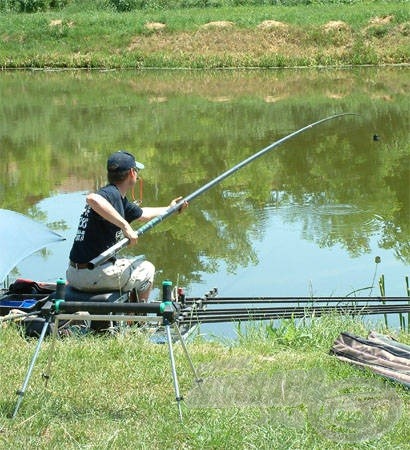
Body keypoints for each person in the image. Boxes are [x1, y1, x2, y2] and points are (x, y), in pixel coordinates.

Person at [66, 150, 187, 302]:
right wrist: (126, 226)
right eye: (137, 171)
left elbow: (143, 214)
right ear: (132, 172)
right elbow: (92, 199)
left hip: (74, 274)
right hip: (92, 273)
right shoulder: (110, 194)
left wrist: (170, 209)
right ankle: (138, 321)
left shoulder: (118, 200)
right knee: (147, 269)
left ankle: (124, 315)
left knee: (128, 261)